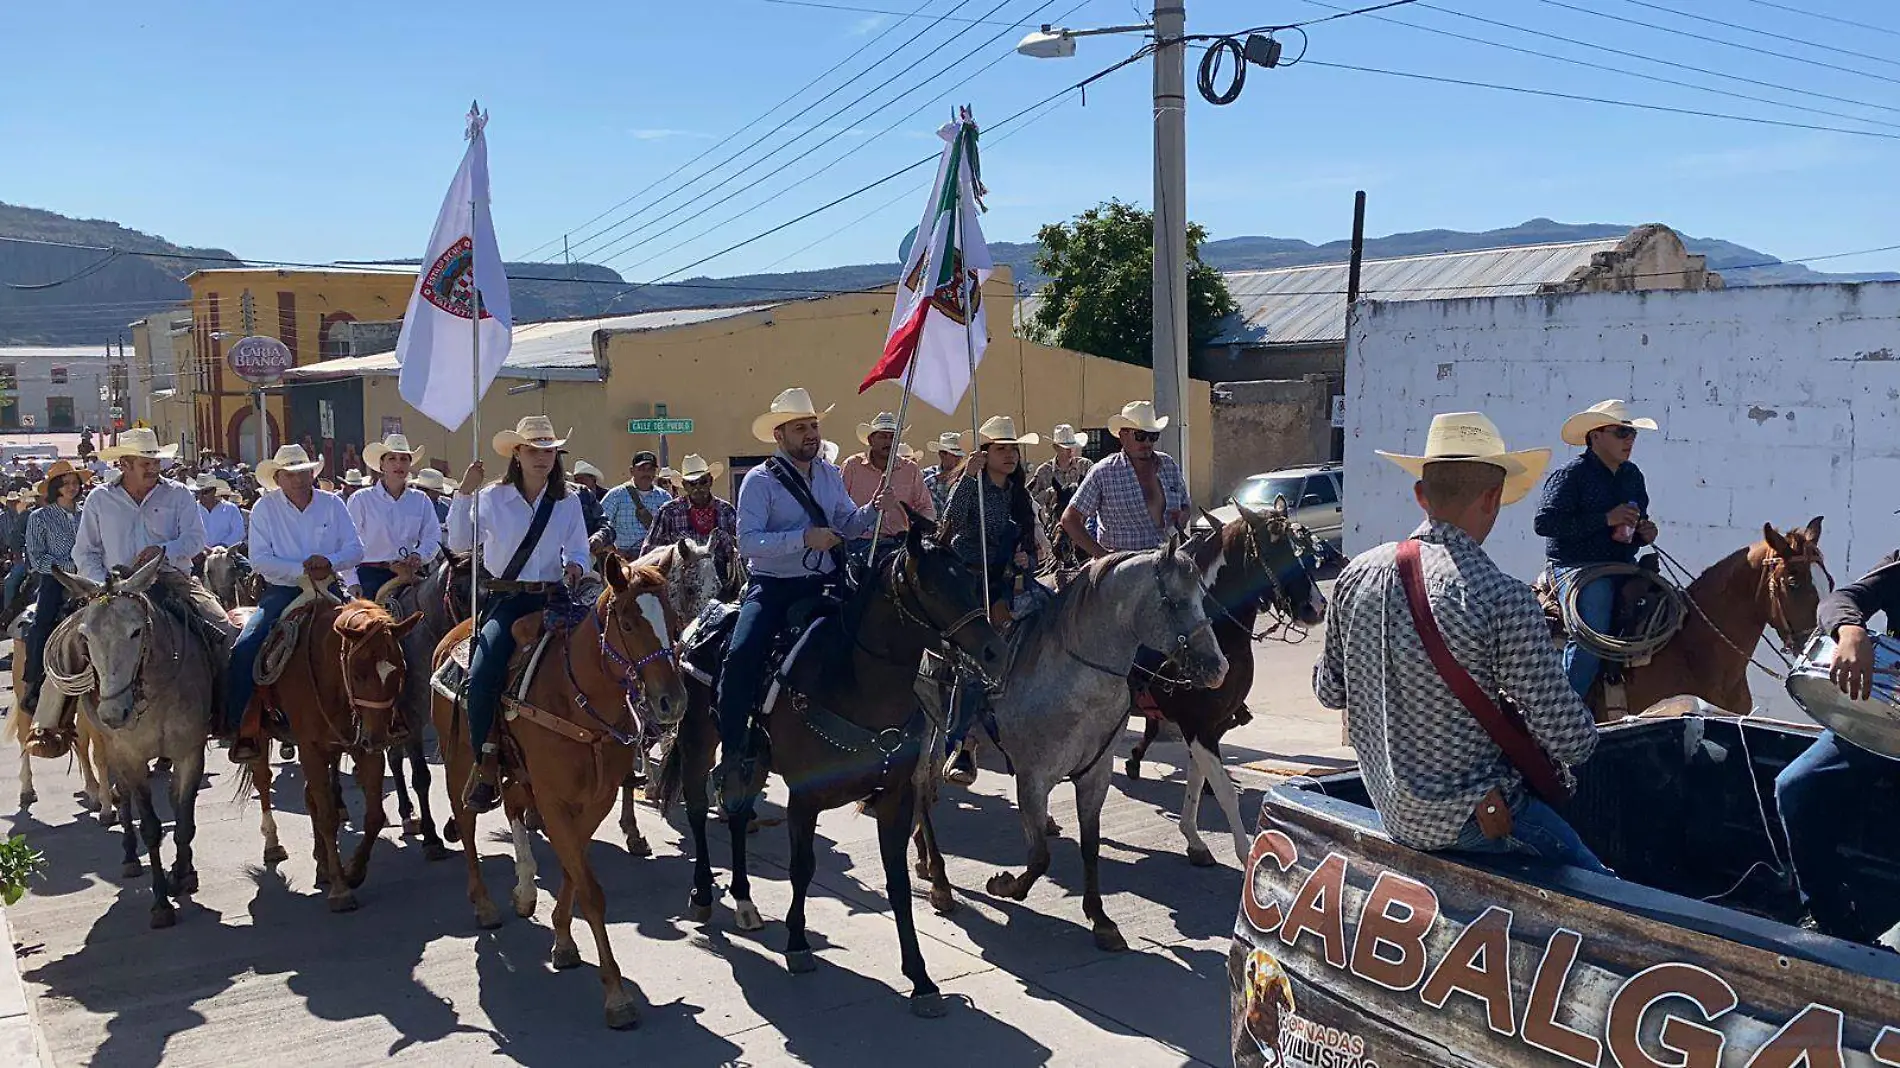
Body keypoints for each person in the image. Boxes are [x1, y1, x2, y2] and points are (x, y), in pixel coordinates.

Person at [1314, 412, 1606, 871]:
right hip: (1476, 822)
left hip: (1394, 813)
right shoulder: (1502, 597)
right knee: (1608, 890)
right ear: (1494, 499)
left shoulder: (1355, 576)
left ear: (1420, 496)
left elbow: (1329, 692)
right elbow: (1572, 740)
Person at [714, 388, 885, 809]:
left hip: (826, 583)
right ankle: (736, 751)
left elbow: (846, 521)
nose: (810, 433)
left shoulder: (828, 474)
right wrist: (803, 539)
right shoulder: (758, 482)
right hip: (773, 587)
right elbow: (748, 543)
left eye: (813, 426)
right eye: (800, 427)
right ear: (779, 434)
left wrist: (872, 512)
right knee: (740, 656)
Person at [450, 416, 590, 812]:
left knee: (608, 653)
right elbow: (461, 542)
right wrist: (463, 495)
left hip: (554, 596)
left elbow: (578, 548)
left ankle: (621, 744)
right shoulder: (492, 497)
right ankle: (485, 761)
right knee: (481, 674)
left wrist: (577, 565)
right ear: (517, 453)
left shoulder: (567, 500)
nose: (543, 457)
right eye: (534, 450)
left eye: (548, 450)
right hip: (508, 601)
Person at [1777, 554, 1900, 943]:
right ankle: (1830, 916)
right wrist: (1849, 630)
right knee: (1796, 786)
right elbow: (1840, 599)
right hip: (1885, 720)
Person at [223, 445, 364, 762]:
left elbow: (356, 548)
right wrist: (303, 567)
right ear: (278, 478)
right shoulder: (264, 508)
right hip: (284, 589)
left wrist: (329, 561)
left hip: (329, 586)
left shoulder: (332, 504)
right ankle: (242, 725)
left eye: (304, 472)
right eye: (291, 474)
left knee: (368, 639)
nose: (300, 479)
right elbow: (260, 559)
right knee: (247, 644)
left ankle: (376, 718)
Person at [936, 416, 1043, 784]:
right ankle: (962, 744)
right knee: (975, 660)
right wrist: (968, 479)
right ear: (984, 453)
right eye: (1002, 448)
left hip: (1009, 580)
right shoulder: (970, 485)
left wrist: (1028, 556)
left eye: (1013, 448)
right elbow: (948, 523)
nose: (1011, 455)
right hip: (970, 578)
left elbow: (1032, 541)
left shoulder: (1019, 493)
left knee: (1051, 621)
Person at [1534, 400, 1660, 699]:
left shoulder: (1633, 476)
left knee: (1666, 608)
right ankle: (1565, 710)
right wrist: (1605, 518)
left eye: (1632, 434)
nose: (1629, 440)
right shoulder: (1571, 475)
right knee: (1594, 628)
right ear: (1595, 436)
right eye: (1620, 432)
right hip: (1574, 566)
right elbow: (1545, 523)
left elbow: (1632, 528)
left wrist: (1644, 532)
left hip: (1621, 563)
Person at [1061, 400, 1190, 558]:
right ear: (1123, 435)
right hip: (1121, 572)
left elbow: (1185, 505)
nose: (1148, 442)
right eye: (1141, 436)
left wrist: (1182, 517)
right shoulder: (1103, 472)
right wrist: (1102, 556)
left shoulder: (1168, 465)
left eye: (1153, 436)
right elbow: (1070, 519)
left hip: (1166, 564)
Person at [17, 461, 90, 715]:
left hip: (90, 579)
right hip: (55, 579)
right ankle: (33, 683)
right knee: (42, 623)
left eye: (74, 483)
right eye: (65, 483)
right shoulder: (40, 517)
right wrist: (69, 568)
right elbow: (37, 557)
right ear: (55, 488)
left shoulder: (87, 513)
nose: (71, 488)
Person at [348, 433, 441, 600]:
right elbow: (348, 541)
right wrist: (352, 581)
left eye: (404, 459)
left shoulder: (420, 500)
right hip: (371, 575)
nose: (399, 464)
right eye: (392, 458)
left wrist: (420, 555)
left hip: (410, 573)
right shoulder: (361, 499)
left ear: (410, 464)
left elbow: (433, 536)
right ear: (382, 464)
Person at [841, 411, 933, 562]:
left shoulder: (910, 469)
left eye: (892, 437)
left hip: (899, 542)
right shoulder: (852, 466)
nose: (888, 442)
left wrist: (924, 527)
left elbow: (925, 507)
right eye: (882, 436)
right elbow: (839, 506)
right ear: (871, 440)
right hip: (859, 542)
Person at [641, 453, 737, 577]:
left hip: (722, 579)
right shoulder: (669, 512)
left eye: (702, 482)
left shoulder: (726, 511)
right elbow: (650, 550)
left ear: (710, 481)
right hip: (681, 581)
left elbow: (741, 548)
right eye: (692, 484)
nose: (698, 488)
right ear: (685, 485)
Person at [599, 450, 673, 558]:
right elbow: (600, 526)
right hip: (625, 559)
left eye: (651, 469)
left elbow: (671, 531)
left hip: (655, 558)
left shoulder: (664, 497)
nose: (646, 473)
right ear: (632, 470)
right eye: (642, 469)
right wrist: (615, 553)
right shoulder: (616, 495)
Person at [1031, 423, 1094, 502]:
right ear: (1056, 448)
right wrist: (1048, 494)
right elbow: (1030, 500)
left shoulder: (1085, 466)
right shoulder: (1044, 471)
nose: (1070, 451)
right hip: (1054, 513)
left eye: (1073, 447)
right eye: (1066, 448)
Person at [190, 473, 247, 549]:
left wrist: (223, 545)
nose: (200, 496)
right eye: (197, 492)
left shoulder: (230, 508)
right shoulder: (192, 509)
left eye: (204, 492)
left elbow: (239, 532)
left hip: (226, 553)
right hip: (198, 554)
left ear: (214, 491)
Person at [921, 432, 967, 518]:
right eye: (954, 455)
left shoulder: (967, 478)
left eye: (960, 456)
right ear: (942, 454)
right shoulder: (925, 476)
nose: (959, 459)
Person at [1, 491, 30, 611]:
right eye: (11, 502)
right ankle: (6, 613)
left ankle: (8, 611)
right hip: (7, 553)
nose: (14, 505)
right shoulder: (2, 519)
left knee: (10, 582)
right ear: (7, 503)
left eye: (16, 502)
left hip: (23, 554)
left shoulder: (26, 515)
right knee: (9, 582)